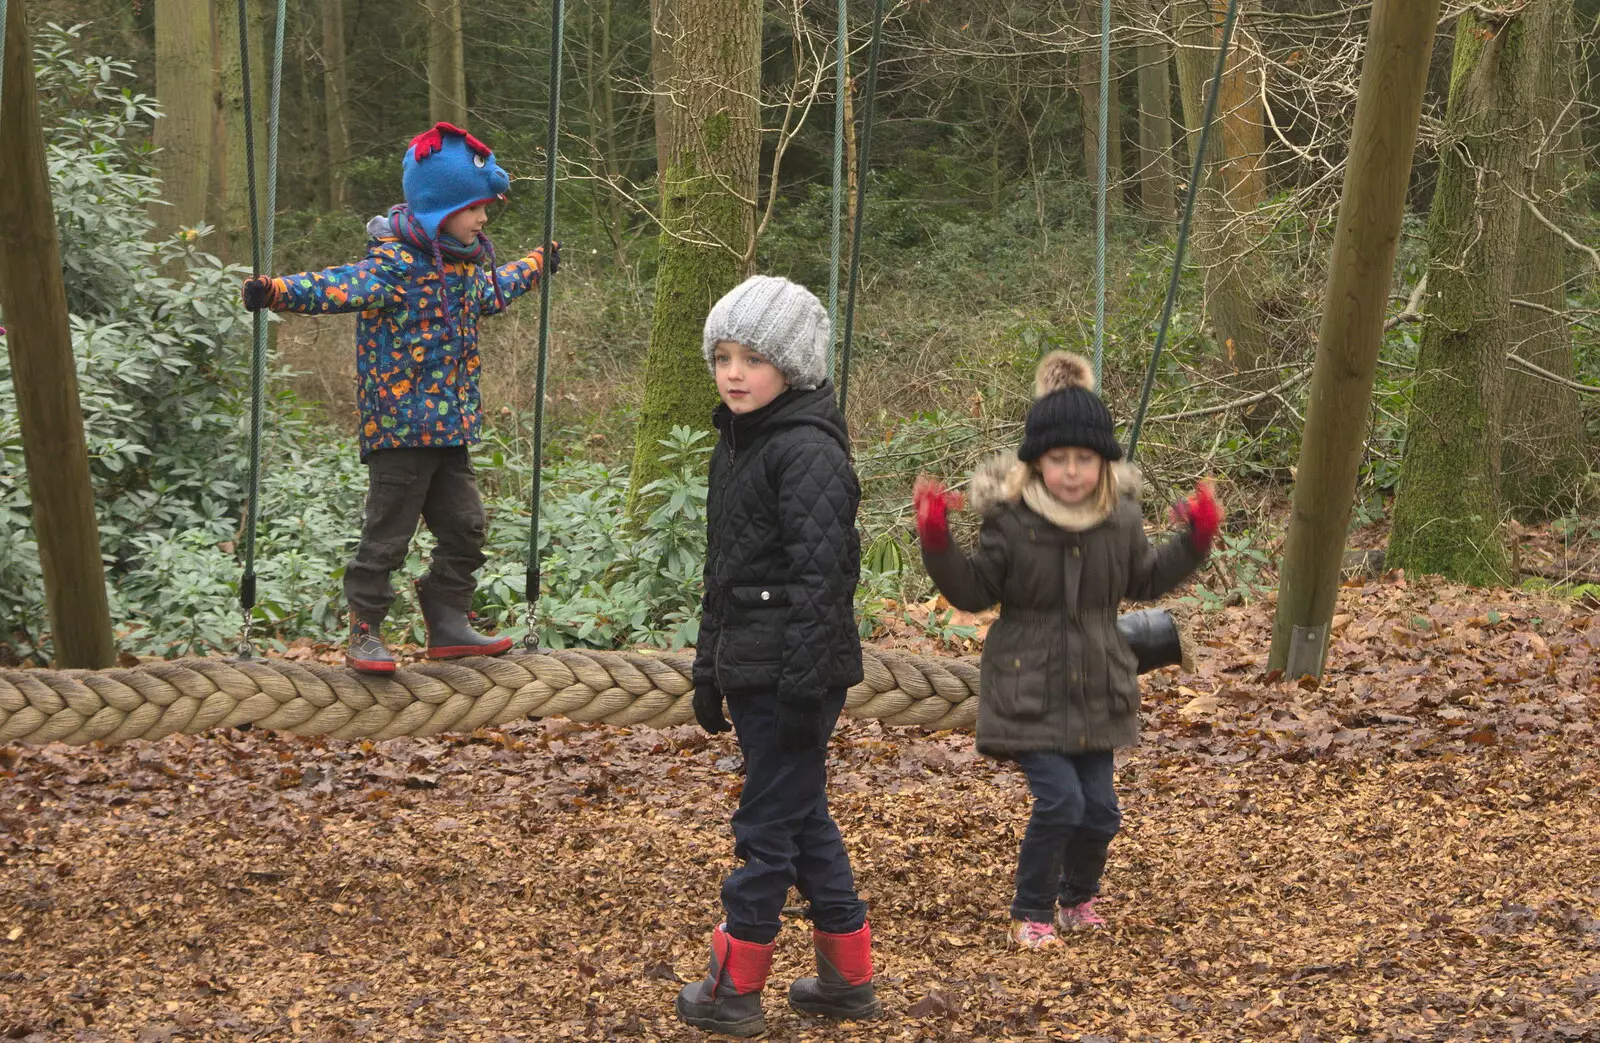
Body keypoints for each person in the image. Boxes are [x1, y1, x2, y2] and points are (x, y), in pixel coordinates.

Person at [914, 351, 1221, 949]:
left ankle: (1077, 898)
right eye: (1059, 459)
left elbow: (1147, 579)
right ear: (1037, 463)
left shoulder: (1120, 518)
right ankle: (1029, 910)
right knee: (1061, 803)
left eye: (1085, 458)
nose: (1073, 471)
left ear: (1104, 464)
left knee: (1101, 811)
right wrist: (936, 539)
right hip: (1028, 687)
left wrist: (1195, 538)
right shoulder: (1013, 521)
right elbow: (973, 591)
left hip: (1098, 687)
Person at [241, 122, 558, 673]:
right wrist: (275, 291)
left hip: (451, 430)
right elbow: (334, 286)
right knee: (387, 535)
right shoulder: (392, 268)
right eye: (476, 208)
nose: (485, 218)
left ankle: (447, 618)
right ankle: (365, 630)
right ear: (441, 210)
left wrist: (533, 266)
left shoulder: (462, 268)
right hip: (399, 432)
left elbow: (491, 291)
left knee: (467, 528)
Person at [675, 276, 879, 1036]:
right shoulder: (739, 443)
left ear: (791, 365)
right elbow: (722, 570)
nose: (733, 372)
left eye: (752, 357)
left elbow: (825, 577)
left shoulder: (805, 449)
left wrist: (802, 685)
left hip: (796, 670)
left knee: (766, 826)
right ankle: (846, 978)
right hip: (754, 663)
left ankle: (735, 984)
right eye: (723, 355)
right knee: (801, 817)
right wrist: (707, 667)